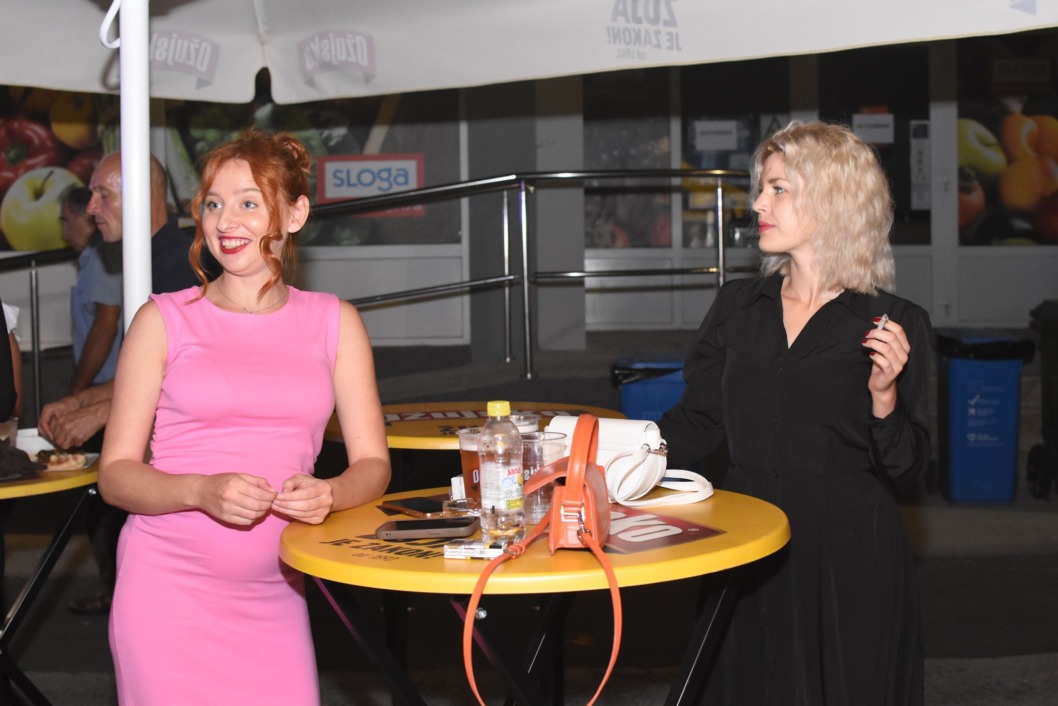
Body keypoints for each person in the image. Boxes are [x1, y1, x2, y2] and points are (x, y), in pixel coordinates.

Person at [98, 129, 391, 704]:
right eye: (213, 204)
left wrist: (331, 493)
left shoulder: (336, 322)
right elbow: (115, 475)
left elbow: (374, 465)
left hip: (278, 591)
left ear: (296, 214)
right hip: (167, 592)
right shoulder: (162, 321)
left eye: (248, 203)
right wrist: (201, 490)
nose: (225, 222)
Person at [658, 121, 930, 705]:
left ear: (833, 200)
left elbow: (908, 471)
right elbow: (696, 423)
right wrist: (602, 459)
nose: (758, 204)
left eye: (778, 189)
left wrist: (885, 397)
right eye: (762, 188)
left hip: (847, 557)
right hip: (745, 539)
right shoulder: (737, 306)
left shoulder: (893, 321)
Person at [40, 152, 200, 615]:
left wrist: (99, 411)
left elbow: (186, 370)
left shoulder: (178, 265)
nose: (91, 208)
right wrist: (82, 400)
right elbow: (148, 368)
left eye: (103, 195)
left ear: (142, 196)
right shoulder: (147, 260)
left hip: (184, 464)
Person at [60, 186, 123, 395]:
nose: (64, 233)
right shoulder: (94, 258)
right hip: (106, 382)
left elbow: (105, 326)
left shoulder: (100, 259)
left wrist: (76, 392)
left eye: (67, 221)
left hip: (107, 384)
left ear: (88, 218)